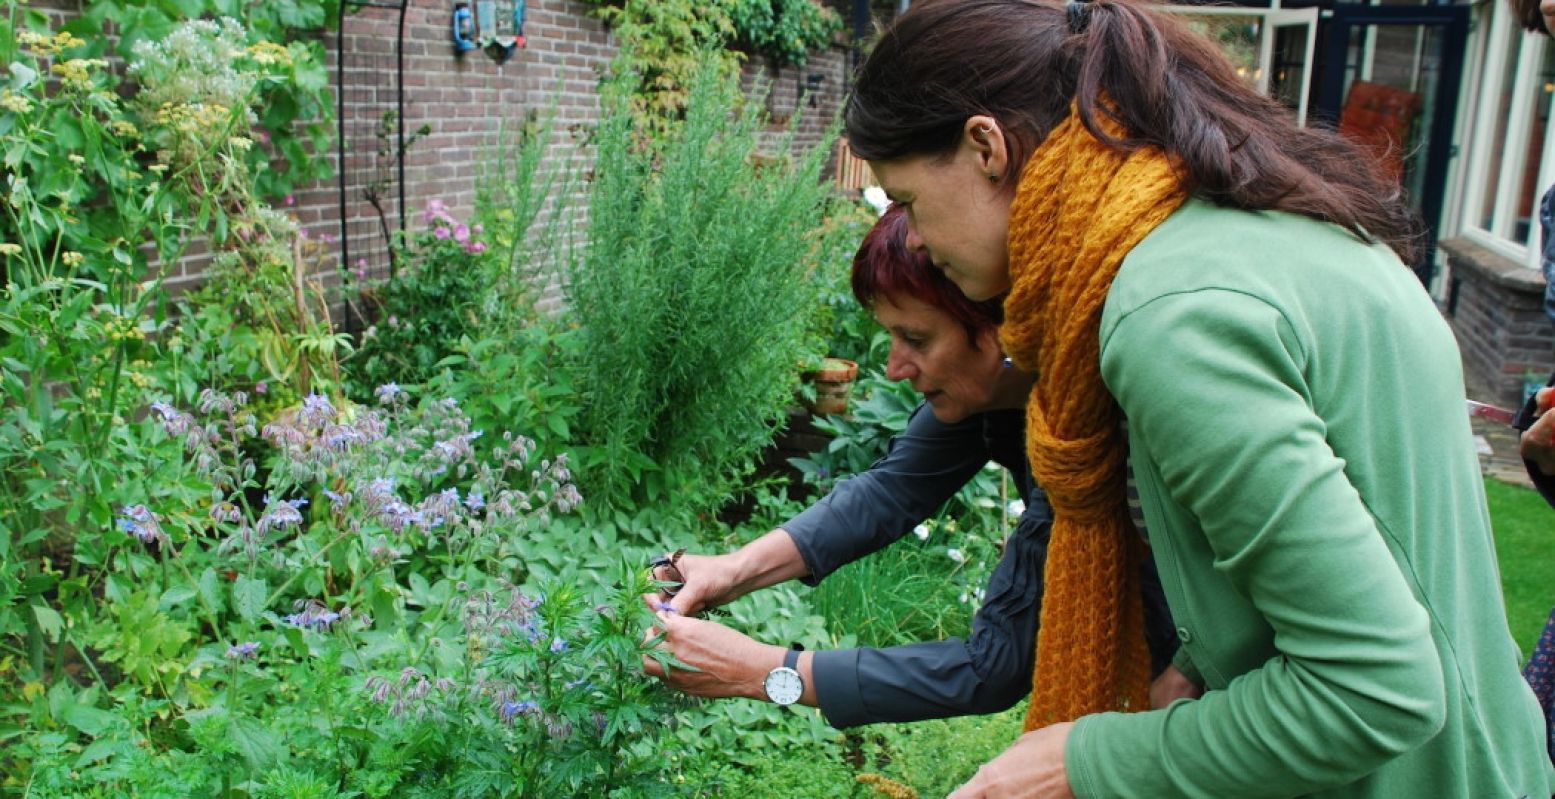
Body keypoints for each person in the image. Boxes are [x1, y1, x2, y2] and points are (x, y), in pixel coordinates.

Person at [844, 0, 1555, 796]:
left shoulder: (1171, 317)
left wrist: (1078, 760)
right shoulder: (1256, 228)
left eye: (906, 199)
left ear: (985, 147)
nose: (915, 239)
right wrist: (1197, 661)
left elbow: (1375, 687)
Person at [641, 206, 1183, 728]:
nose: (895, 368)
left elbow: (992, 666)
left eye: (916, 339)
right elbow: (891, 490)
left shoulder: (1081, 433)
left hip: (1202, 672)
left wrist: (768, 672)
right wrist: (730, 571)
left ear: (1007, 327)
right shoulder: (992, 391)